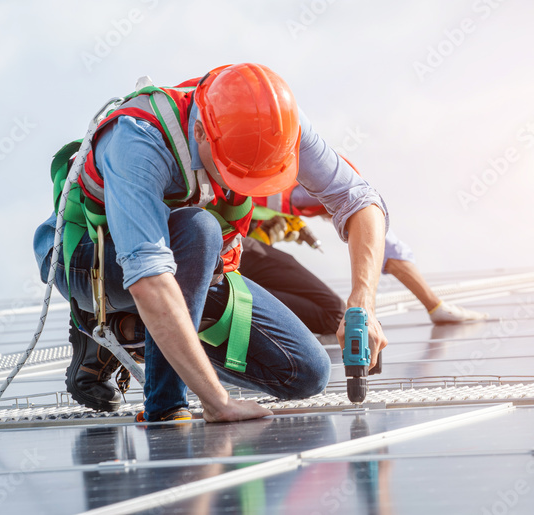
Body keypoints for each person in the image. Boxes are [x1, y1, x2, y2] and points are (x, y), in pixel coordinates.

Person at [33, 64, 388, 422]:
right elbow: (148, 278)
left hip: (180, 264)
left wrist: (363, 303)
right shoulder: (138, 141)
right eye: (235, 171)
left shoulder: (277, 122)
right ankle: (165, 402)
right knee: (199, 227)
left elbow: (357, 199)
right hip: (86, 260)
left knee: (306, 372)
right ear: (201, 132)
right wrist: (217, 401)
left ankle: (127, 331)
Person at [252, 182, 488, 327]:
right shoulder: (326, 189)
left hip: (233, 245)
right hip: (229, 248)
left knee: (331, 311)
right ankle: (228, 298)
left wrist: (265, 234)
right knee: (333, 312)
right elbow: (385, 249)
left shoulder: (298, 188)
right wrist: (434, 305)